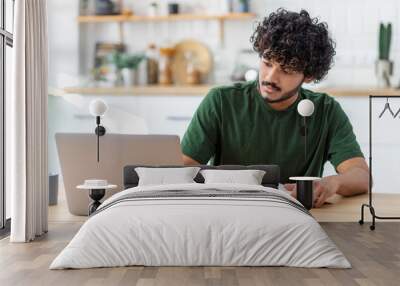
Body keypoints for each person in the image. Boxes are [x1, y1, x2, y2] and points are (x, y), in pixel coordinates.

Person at [181, 8, 369, 208]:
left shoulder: (326, 110)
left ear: (309, 76)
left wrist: (332, 183)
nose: (270, 77)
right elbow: (185, 168)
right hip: (229, 212)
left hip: (296, 218)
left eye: (286, 70)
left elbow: (362, 176)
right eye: (267, 62)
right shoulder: (220, 101)